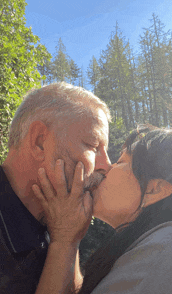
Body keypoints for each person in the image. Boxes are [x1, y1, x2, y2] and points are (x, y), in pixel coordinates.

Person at [33, 125, 172, 294]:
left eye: (120, 162)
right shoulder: (171, 243)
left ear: (154, 189)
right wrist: (69, 237)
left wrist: (64, 238)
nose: (106, 167)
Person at [0, 82, 112, 293]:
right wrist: (65, 240)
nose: (107, 166)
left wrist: (68, 240)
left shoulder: (57, 216)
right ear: (40, 142)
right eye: (93, 146)